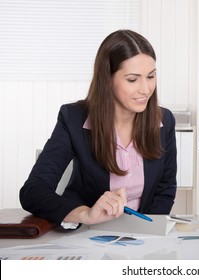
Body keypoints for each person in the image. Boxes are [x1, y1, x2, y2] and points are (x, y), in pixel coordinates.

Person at [19, 29, 177, 229]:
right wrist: (85, 214)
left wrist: (149, 230)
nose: (145, 89)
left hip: (143, 236)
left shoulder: (165, 121)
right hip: (88, 234)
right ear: (107, 79)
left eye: (151, 76)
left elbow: (165, 189)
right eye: (132, 79)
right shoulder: (74, 119)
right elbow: (33, 191)